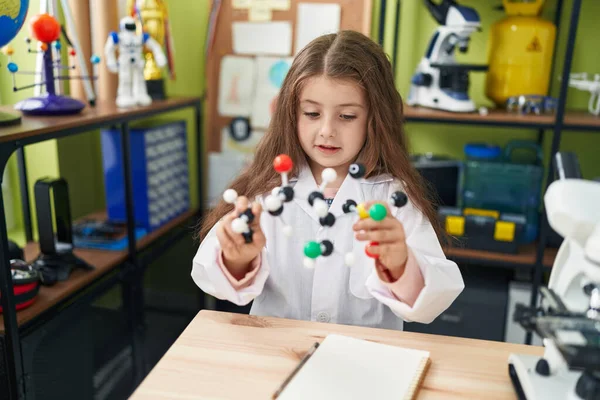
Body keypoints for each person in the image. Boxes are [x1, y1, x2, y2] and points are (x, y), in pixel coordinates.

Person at [192, 30, 464, 330]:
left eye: (347, 116)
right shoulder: (267, 193)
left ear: (376, 118)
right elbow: (208, 273)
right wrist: (237, 259)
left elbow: (437, 296)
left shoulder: (393, 197)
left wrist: (401, 265)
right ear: (291, 113)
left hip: (363, 360)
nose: (326, 131)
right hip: (276, 354)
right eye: (311, 113)